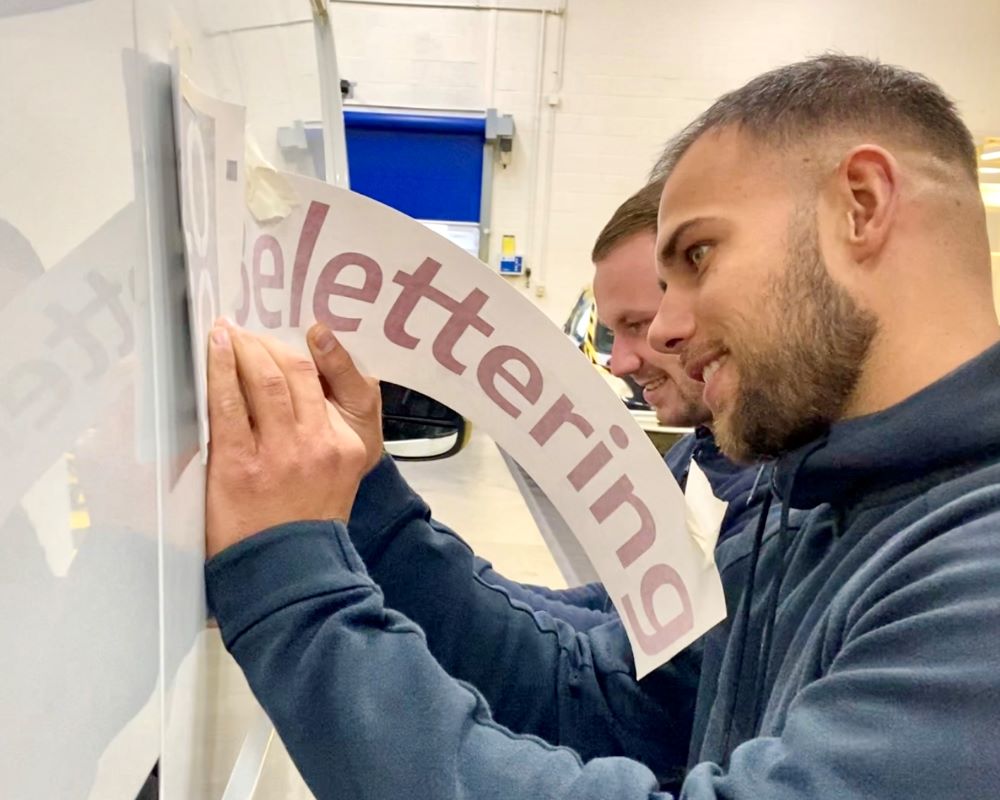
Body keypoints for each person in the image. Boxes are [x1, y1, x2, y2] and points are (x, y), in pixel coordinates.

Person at [204, 54, 1000, 799]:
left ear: (862, 204)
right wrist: (361, 495)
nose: (668, 330)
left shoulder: (974, 583)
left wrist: (289, 586)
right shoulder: (815, 512)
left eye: (699, 255)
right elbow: (595, 698)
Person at [471, 179, 766, 633]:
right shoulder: (696, 457)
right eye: (614, 330)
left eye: (638, 324)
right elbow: (616, 605)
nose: (620, 362)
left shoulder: (779, 505)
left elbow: (614, 665)